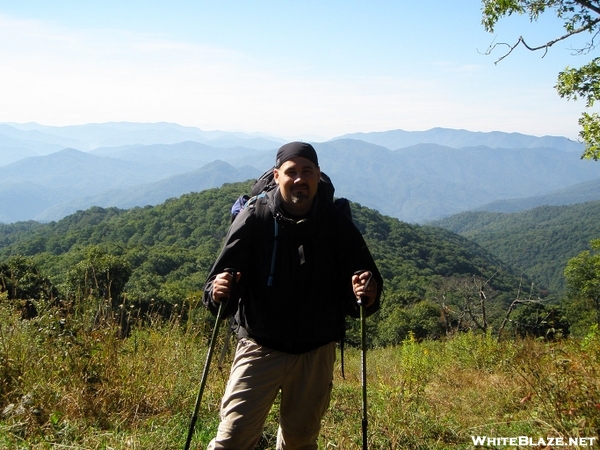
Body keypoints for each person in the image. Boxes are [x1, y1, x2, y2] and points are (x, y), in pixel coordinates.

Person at [202, 141, 382, 450]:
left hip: (316, 350)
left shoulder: (335, 222)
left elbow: (365, 285)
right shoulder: (255, 217)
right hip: (259, 346)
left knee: (300, 441)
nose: (299, 179)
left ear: (317, 175)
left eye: (306, 172)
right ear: (277, 175)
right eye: (291, 172)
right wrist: (218, 292)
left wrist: (366, 292)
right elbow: (217, 284)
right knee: (232, 438)